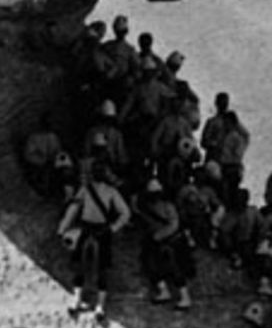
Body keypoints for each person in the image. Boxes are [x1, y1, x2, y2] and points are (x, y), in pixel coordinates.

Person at [57, 157, 130, 315]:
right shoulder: (88, 190)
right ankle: (79, 299)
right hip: (89, 228)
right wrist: (63, 228)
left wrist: (112, 228)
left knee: (100, 268)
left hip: (99, 230)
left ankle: (99, 304)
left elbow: (125, 213)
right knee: (80, 266)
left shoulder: (109, 192)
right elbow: (74, 209)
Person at [136, 179, 193, 310]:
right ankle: (164, 291)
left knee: (174, 268)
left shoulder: (168, 206)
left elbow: (174, 224)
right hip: (158, 243)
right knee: (152, 266)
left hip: (171, 242)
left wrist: (158, 236)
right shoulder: (151, 206)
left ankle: (185, 297)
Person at [199, 93, 250, 194]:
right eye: (221, 103)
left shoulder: (234, 121)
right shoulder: (212, 122)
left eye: (225, 103)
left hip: (231, 162)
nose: (223, 105)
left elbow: (245, 136)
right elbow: (204, 142)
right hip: (215, 160)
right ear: (216, 104)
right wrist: (214, 144)